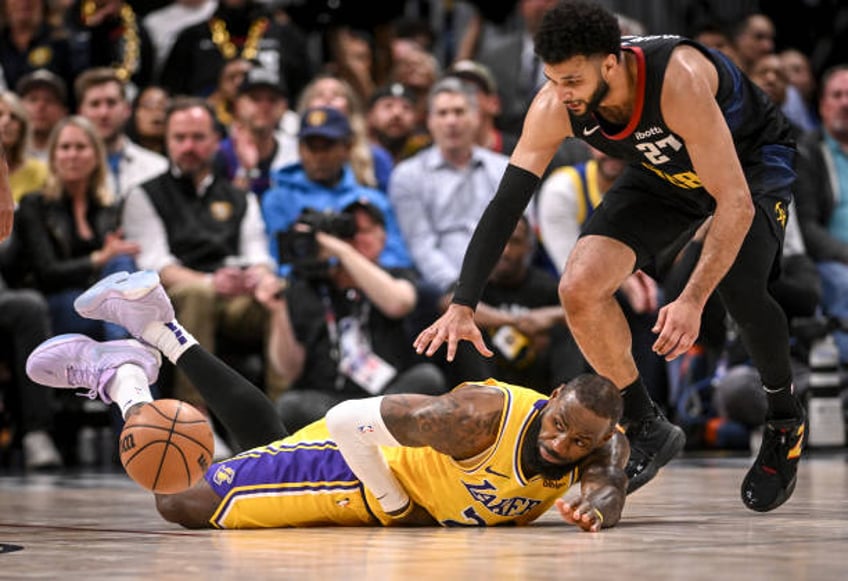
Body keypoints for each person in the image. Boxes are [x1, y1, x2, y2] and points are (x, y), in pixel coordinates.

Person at [414, 1, 806, 513]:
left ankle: (783, 417)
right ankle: (647, 425)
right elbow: (506, 204)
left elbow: (732, 201)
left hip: (748, 164)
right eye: (554, 80)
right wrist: (463, 303)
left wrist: (690, 299)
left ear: (611, 62)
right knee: (578, 286)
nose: (564, 95)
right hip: (663, 169)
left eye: (573, 80)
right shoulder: (555, 104)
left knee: (739, 287)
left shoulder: (676, 80)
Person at [26, 269, 629, 531]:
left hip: (378, 480)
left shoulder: (596, 439)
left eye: (579, 441)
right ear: (551, 400)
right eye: (559, 428)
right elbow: (346, 420)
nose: (561, 444)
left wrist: (598, 508)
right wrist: (394, 507)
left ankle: (156, 328)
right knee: (180, 500)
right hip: (358, 471)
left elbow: (609, 479)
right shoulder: (475, 420)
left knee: (266, 445)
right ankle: (126, 380)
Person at [121, 97, 280, 416]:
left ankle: (281, 413)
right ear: (167, 141)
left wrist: (259, 277)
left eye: (198, 137)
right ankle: (194, 413)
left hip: (234, 295)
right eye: (179, 138)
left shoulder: (239, 196)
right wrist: (211, 281)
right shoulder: (145, 194)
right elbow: (156, 265)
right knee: (198, 294)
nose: (188, 146)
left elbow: (258, 252)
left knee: (279, 297)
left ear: (216, 142)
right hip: (174, 298)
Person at [255, 200, 446, 432]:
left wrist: (343, 251)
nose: (355, 239)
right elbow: (288, 370)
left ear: (383, 237)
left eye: (364, 231)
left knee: (427, 378)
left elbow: (399, 303)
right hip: (331, 402)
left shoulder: (396, 275)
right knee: (290, 405)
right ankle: (364, 430)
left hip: (386, 399)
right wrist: (278, 311)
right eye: (348, 233)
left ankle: (366, 429)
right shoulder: (307, 287)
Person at [14, 115, 139, 339]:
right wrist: (98, 258)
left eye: (81, 147)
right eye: (65, 147)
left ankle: (121, 347)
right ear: (53, 157)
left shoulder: (107, 207)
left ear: (96, 156)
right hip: (55, 298)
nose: (72, 155)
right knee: (110, 296)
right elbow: (47, 272)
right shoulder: (34, 205)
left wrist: (110, 259)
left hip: (100, 297)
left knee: (123, 262)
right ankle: (125, 354)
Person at [262, 106, 412, 271]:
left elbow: (397, 260)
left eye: (327, 146)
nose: (319, 156)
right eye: (311, 147)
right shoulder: (278, 199)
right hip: (301, 287)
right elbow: (277, 262)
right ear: (299, 149)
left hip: (367, 286)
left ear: (347, 148)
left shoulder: (372, 201)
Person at [794, 65, 848, 364]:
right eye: (837, 95)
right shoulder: (808, 152)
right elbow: (807, 228)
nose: (845, 102)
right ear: (823, 107)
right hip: (831, 261)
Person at [75, 67, 168, 201]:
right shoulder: (63, 171)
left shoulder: (158, 169)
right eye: (95, 104)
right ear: (81, 112)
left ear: (127, 109)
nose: (103, 113)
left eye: (111, 103)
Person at [0, 91, 47, 203]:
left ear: (22, 128)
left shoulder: (41, 172)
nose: (6, 121)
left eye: (14, 117)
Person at [15, 69, 69, 161]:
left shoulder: (73, 156)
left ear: (64, 111)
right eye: (33, 99)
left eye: (49, 100)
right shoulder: (5, 155)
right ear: (18, 107)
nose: (40, 106)